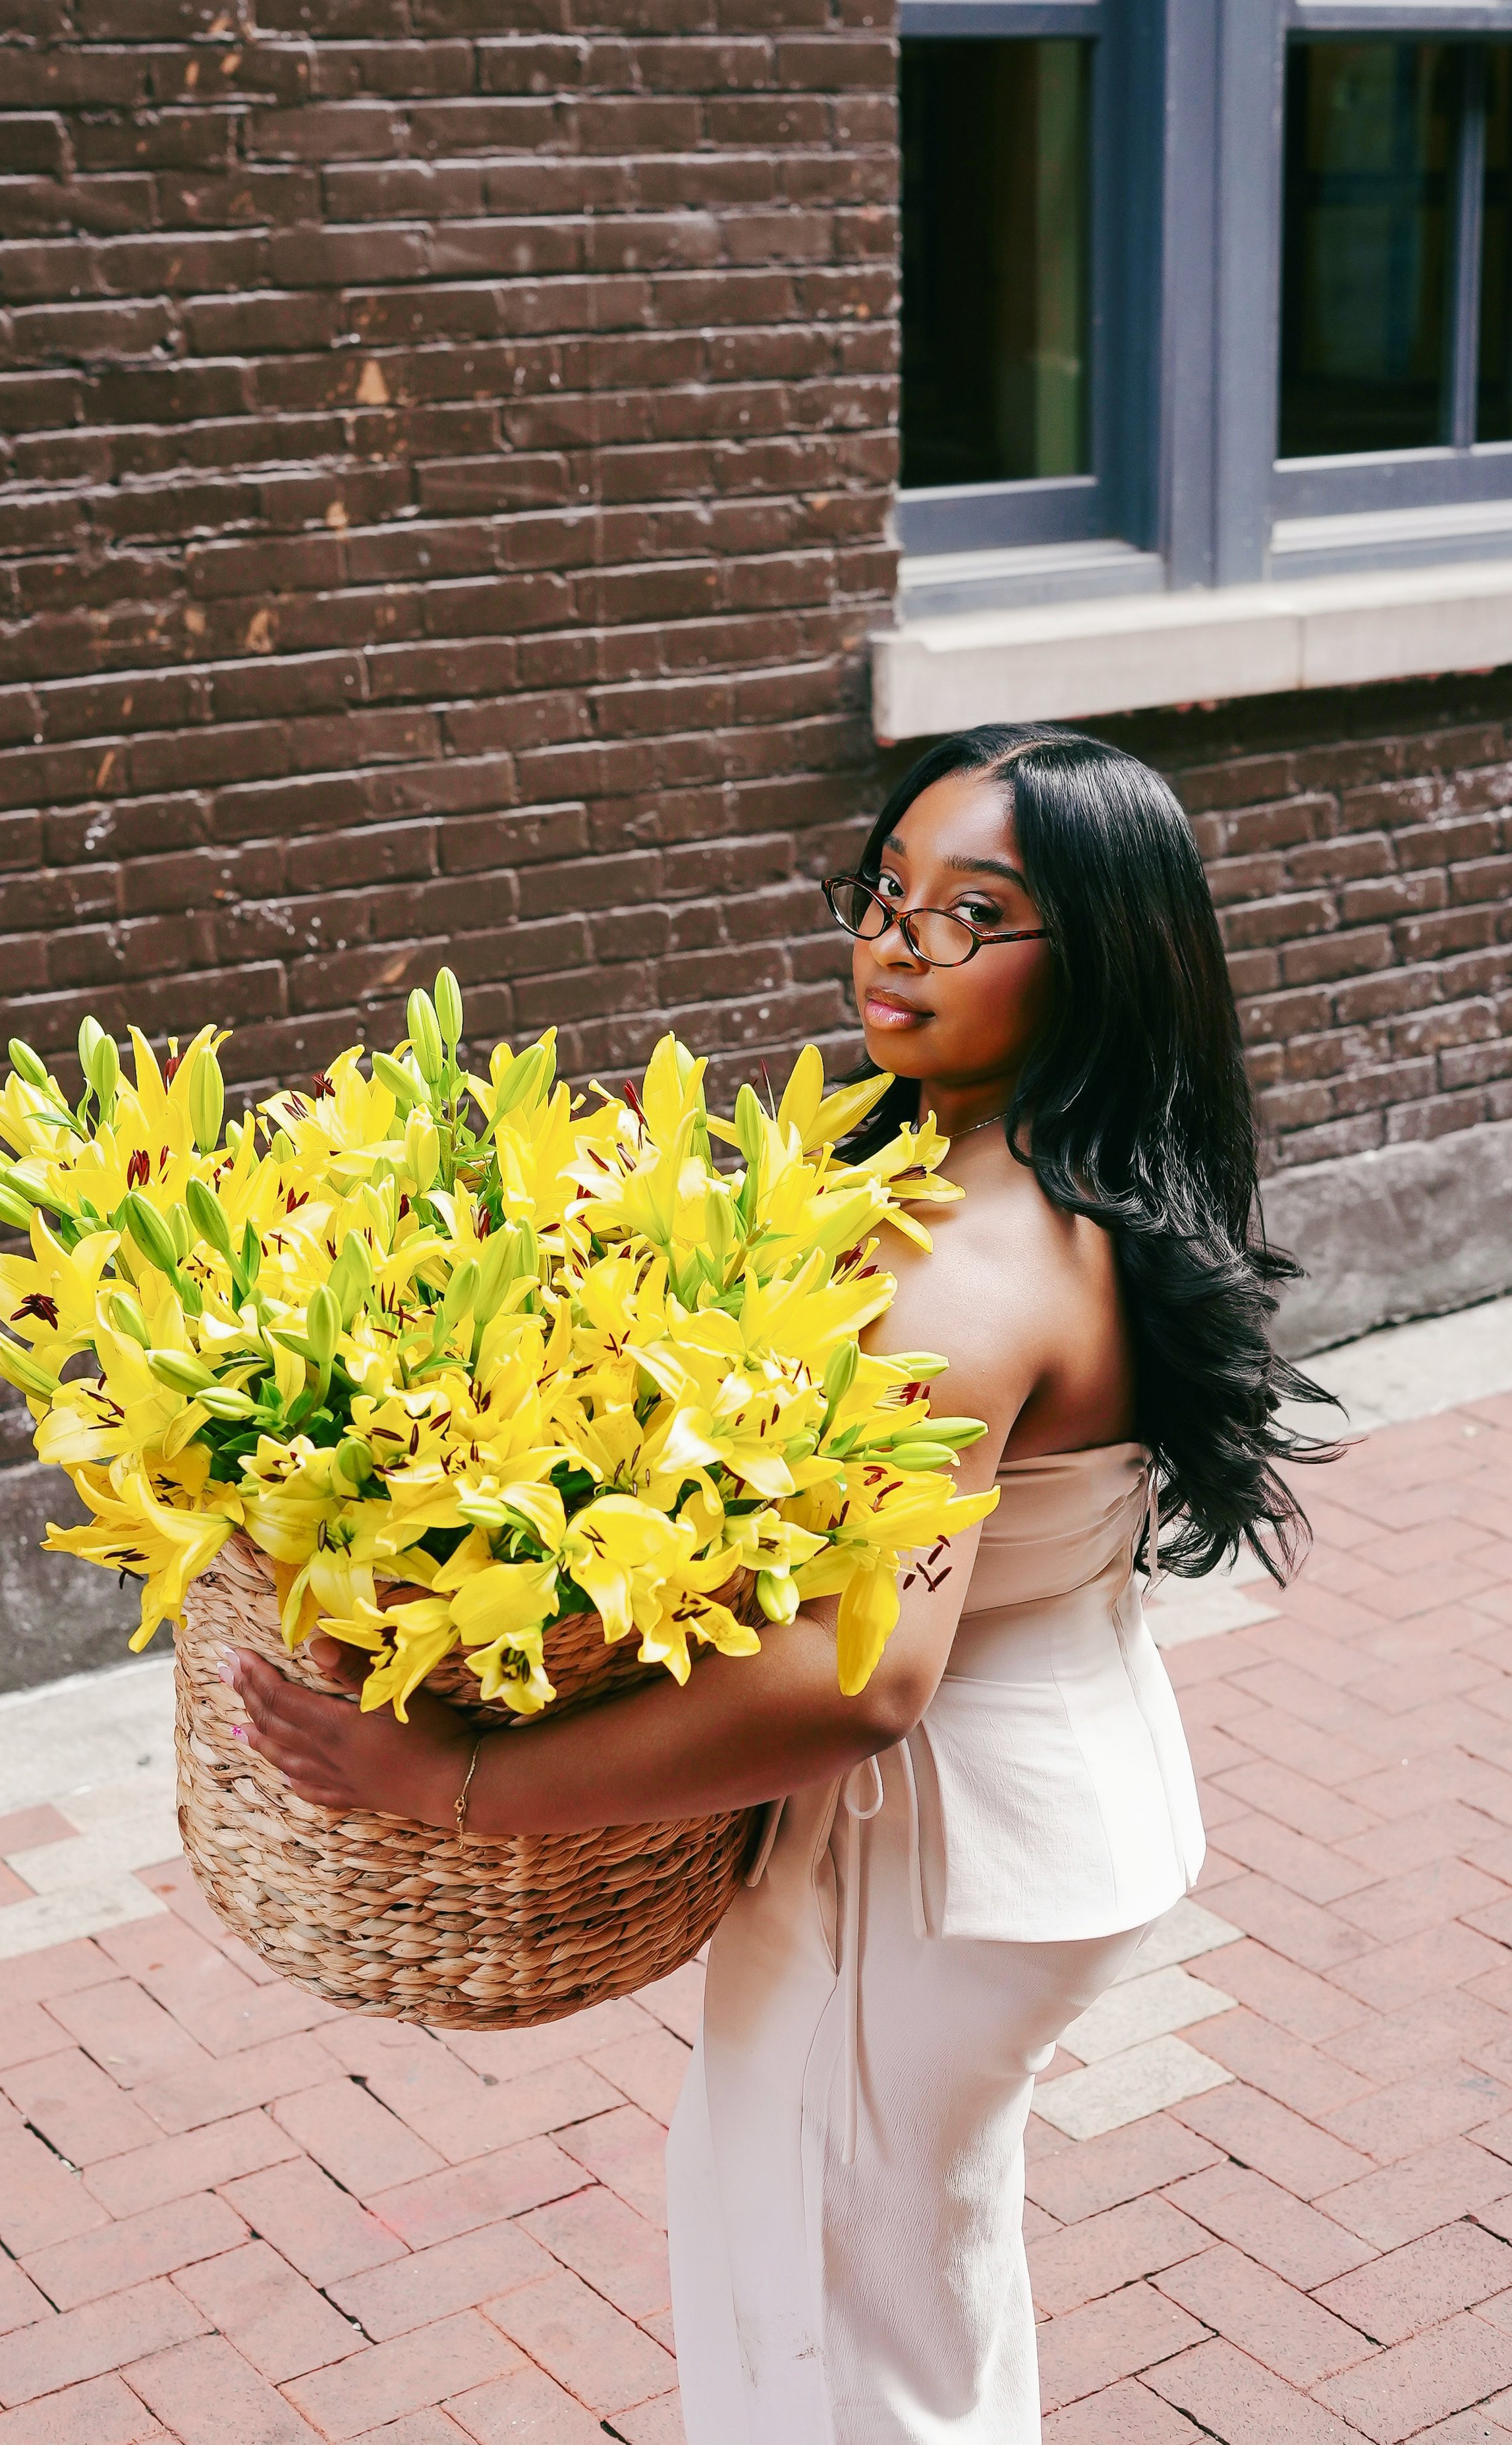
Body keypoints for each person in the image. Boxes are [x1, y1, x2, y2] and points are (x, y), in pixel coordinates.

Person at [225, 724, 1335, 2441]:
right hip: (1053, 1811)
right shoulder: (1058, 1178)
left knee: (815, 2316)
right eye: (885, 892)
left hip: (928, 1861)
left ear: (1098, 955)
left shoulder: (966, 1269)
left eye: (973, 914)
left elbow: (859, 1677)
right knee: (912, 2281)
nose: (898, 942)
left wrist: (452, 1781)